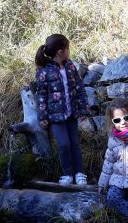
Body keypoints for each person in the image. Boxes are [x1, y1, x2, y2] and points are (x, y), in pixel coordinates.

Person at [35, 34, 89, 185]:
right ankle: (67, 174)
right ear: (60, 51)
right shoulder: (44, 71)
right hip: (55, 116)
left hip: (71, 113)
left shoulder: (70, 66)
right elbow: (42, 95)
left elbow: (79, 88)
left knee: (74, 143)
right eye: (67, 49)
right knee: (64, 144)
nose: (69, 51)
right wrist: (43, 116)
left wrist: (83, 108)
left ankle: (79, 173)